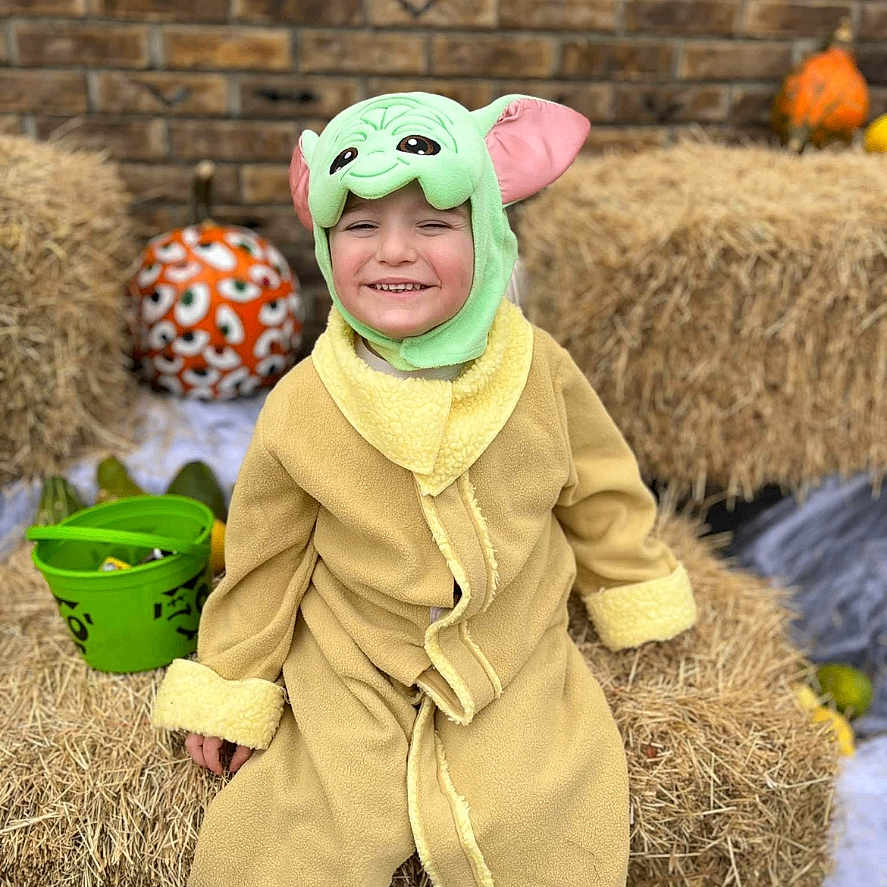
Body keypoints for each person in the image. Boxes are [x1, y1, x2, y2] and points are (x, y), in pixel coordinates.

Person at [152, 91, 697, 887]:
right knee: (302, 830)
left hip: (507, 642)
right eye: (360, 226)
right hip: (357, 651)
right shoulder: (307, 399)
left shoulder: (535, 368)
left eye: (433, 224)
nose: (392, 251)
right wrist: (231, 683)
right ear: (325, 241)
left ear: (485, 231)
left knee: (540, 810)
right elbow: (265, 555)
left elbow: (601, 489)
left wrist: (636, 587)